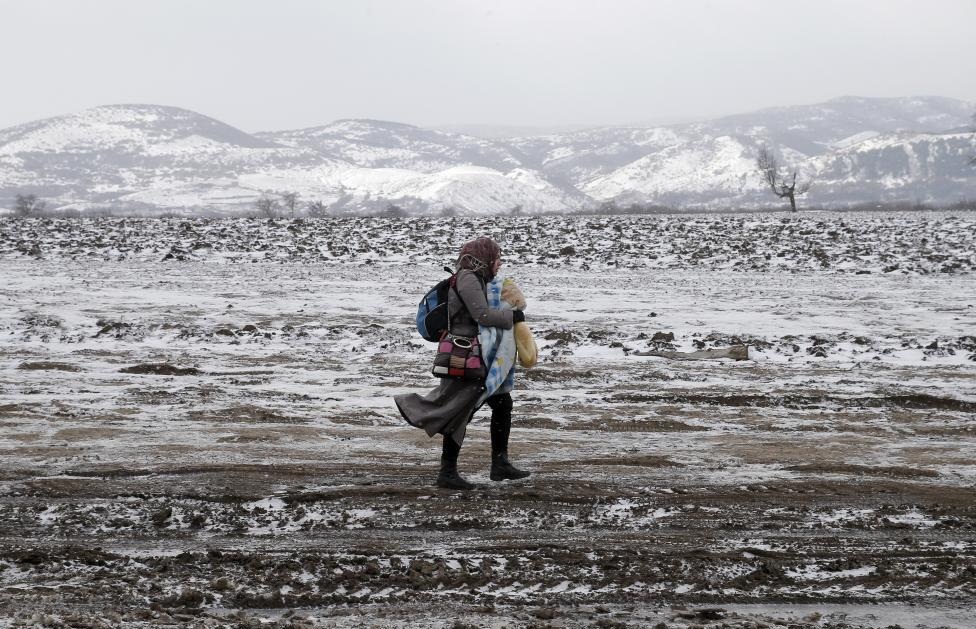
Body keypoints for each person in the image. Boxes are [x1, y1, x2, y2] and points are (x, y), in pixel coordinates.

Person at [395, 236, 531, 490]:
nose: (498, 263)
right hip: (465, 354)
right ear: (483, 257)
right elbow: (482, 315)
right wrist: (512, 317)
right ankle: (447, 471)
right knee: (459, 411)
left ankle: (499, 464)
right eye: (495, 258)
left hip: (477, 353)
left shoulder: (477, 278)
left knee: (502, 403)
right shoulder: (468, 278)